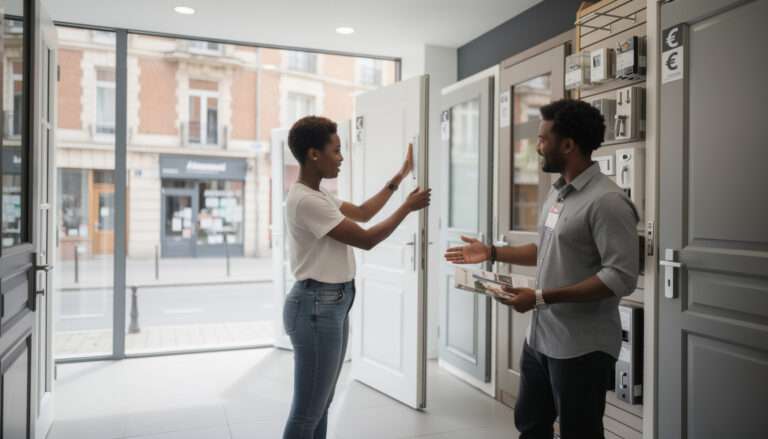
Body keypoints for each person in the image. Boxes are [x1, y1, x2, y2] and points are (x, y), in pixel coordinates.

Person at [445, 99, 639, 438]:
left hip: (581, 347)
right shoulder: (558, 193)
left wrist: (540, 297)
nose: (537, 148)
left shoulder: (607, 202)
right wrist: (491, 252)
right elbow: (547, 248)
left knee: (580, 433)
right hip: (540, 339)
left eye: (543, 139)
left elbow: (620, 277)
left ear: (568, 145)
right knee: (531, 426)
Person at [282, 116, 430, 439]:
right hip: (316, 306)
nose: (341, 158)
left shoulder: (317, 194)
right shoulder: (307, 200)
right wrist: (407, 207)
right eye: (335, 151)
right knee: (307, 412)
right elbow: (366, 239)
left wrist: (399, 177)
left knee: (321, 405)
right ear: (314, 154)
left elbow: (363, 212)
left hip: (331, 303)